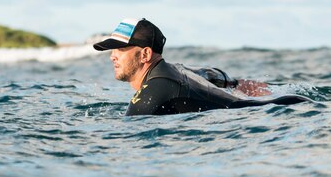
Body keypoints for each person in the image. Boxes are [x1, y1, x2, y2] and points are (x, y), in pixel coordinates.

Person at [93, 18, 310, 116]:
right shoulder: (173, 69)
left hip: (272, 114)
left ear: (145, 54)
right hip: (282, 105)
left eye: (120, 50)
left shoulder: (157, 87)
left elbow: (129, 129)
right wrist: (235, 83)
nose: (112, 56)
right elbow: (209, 74)